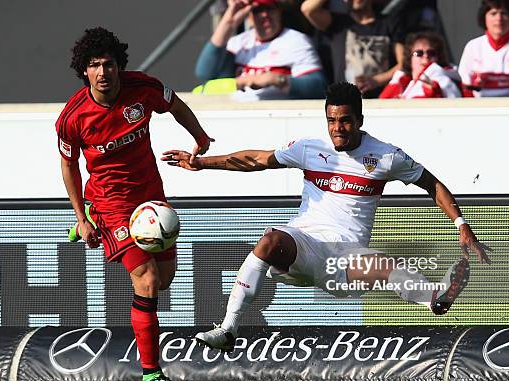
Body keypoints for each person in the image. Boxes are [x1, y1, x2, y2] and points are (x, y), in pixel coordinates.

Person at [163, 82, 491, 351]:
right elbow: (256, 160)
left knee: (385, 266)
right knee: (270, 240)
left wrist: (462, 226)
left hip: (346, 258)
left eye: (345, 121)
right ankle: (228, 330)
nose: (338, 129)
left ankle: (435, 298)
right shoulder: (310, 148)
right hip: (304, 244)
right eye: (332, 121)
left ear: (360, 121)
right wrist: (202, 163)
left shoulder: (387, 156)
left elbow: (432, 184)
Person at [56, 27, 213, 381]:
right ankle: (150, 375)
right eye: (94, 65)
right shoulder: (73, 117)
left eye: (107, 64)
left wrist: (201, 138)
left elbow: (176, 105)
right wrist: (81, 216)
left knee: (164, 278)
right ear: (84, 71)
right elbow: (68, 166)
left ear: (118, 65)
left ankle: (150, 368)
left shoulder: (143, 88)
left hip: (151, 198)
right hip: (110, 203)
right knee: (146, 280)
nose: (102, 72)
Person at [195, 0, 327, 100]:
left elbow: (319, 87)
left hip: (278, 117)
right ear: (249, 15)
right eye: (258, 10)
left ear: (279, 11)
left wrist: (277, 79)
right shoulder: (238, 42)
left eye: (269, 8)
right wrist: (228, 23)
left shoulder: (297, 41)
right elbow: (204, 74)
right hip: (237, 115)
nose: (264, 15)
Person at [301, 0, 405, 98]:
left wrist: (376, 80)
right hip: (344, 101)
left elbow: (404, 64)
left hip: (380, 100)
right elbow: (307, 9)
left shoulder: (389, 23)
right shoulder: (337, 23)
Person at [380, 31, 461, 99]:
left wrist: (434, 92)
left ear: (438, 58)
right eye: (419, 53)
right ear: (409, 58)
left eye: (431, 53)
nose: (426, 56)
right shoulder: (399, 81)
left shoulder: (444, 80)